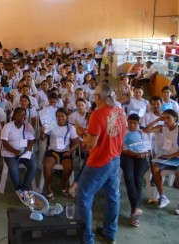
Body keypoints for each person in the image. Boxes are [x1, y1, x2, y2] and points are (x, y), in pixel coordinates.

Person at [75, 82, 126, 244]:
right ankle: (110, 233)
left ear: (98, 97)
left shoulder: (97, 115)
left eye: (94, 95)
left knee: (84, 197)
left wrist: (82, 133)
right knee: (113, 197)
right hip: (114, 159)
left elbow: (91, 144)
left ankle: (86, 238)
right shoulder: (119, 111)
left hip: (99, 162)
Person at [143, 109, 179, 209]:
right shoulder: (163, 127)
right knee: (154, 168)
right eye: (164, 118)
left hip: (176, 158)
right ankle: (162, 197)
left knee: (178, 174)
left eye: (169, 118)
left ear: (175, 118)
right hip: (167, 158)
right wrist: (157, 119)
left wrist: (170, 156)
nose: (166, 120)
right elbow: (146, 130)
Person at [41, 107, 79, 200]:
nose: (60, 118)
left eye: (62, 116)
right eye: (58, 116)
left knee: (69, 167)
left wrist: (70, 152)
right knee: (46, 166)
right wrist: (42, 132)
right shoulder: (52, 125)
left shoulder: (71, 127)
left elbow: (76, 142)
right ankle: (49, 189)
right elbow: (42, 138)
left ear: (66, 116)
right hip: (52, 150)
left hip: (65, 151)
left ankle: (62, 183)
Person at [0, 107, 37, 202]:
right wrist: (14, 151)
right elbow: (4, 142)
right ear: (14, 116)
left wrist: (28, 149)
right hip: (10, 153)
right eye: (19, 115)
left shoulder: (28, 126)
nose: (22, 117)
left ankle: (23, 189)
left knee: (33, 166)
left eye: (24, 115)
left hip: (24, 152)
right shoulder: (8, 126)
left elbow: (32, 141)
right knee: (13, 168)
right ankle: (19, 189)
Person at [120, 114, 151, 227]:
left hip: (141, 158)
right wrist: (132, 153)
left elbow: (148, 149)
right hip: (127, 157)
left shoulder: (143, 133)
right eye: (130, 122)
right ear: (127, 122)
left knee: (138, 179)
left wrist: (142, 153)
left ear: (138, 124)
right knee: (129, 177)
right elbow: (120, 149)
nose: (132, 125)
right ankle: (135, 209)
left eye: (135, 123)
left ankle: (135, 211)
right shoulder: (122, 132)